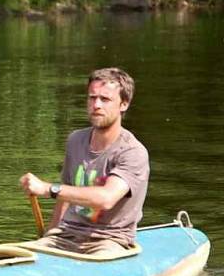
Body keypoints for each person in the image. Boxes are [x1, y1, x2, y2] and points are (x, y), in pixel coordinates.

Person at [20, 67, 149, 256]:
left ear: (124, 104)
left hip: (109, 240)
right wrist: (49, 235)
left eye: (105, 99)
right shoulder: (75, 140)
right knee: (24, 256)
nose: (96, 105)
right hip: (66, 235)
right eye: (92, 97)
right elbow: (66, 195)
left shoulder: (133, 152)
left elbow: (106, 199)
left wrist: (48, 189)